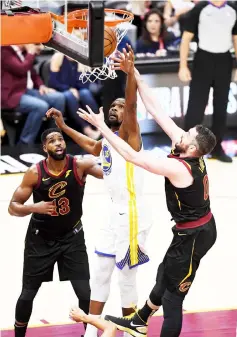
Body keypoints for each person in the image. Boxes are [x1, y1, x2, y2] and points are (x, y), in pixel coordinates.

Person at [78, 52, 217, 337]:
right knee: (163, 275)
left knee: (172, 299)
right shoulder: (187, 148)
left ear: (192, 149)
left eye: (185, 136)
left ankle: (147, 323)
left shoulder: (179, 168)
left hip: (195, 235)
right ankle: (140, 321)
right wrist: (134, 72)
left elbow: (133, 157)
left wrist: (102, 127)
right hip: (189, 230)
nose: (179, 134)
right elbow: (156, 110)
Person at [46, 45, 151, 337]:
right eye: (113, 106)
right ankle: (92, 332)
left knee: (125, 280)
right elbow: (91, 146)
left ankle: (133, 331)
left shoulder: (130, 134)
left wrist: (129, 74)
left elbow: (131, 105)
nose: (117, 108)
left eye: (119, 106)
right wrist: (64, 126)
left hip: (132, 213)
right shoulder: (109, 139)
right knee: (101, 273)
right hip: (112, 212)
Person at [8, 128, 103, 337]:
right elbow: (12, 207)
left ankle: (88, 335)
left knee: (85, 293)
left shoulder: (79, 165)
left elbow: (110, 175)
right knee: (28, 293)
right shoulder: (35, 172)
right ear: (44, 148)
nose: (58, 143)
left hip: (72, 237)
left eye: (60, 139)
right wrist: (35, 207)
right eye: (52, 141)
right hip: (40, 239)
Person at [178, 0, 237, 163]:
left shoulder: (233, 9)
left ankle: (217, 149)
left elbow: (236, 38)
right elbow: (186, 38)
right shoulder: (200, 8)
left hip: (224, 60)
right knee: (195, 108)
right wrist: (183, 66)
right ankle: (186, 148)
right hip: (203, 59)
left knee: (221, 107)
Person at [1, 44, 65, 144]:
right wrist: (31, 52)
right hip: (11, 95)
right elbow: (21, 69)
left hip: (25, 91)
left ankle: (52, 137)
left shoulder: (23, 53)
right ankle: (24, 143)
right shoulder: (4, 52)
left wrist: (41, 86)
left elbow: (33, 73)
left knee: (59, 98)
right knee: (40, 106)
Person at [49, 52, 101, 139]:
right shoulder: (58, 58)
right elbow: (53, 82)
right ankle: (86, 129)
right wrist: (69, 88)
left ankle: (99, 126)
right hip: (62, 90)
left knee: (85, 93)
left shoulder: (82, 59)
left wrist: (81, 69)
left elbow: (84, 85)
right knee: (69, 95)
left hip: (78, 90)